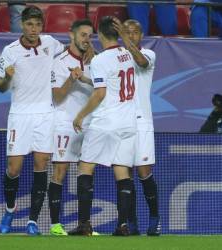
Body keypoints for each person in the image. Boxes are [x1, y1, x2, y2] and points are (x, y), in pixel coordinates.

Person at [69, 16, 146, 236]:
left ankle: (84, 224)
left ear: (100, 35)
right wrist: (85, 78)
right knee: (122, 172)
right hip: (128, 123)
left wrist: (80, 115)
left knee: (85, 168)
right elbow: (112, 83)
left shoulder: (100, 60)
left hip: (106, 122)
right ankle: (123, 225)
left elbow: (101, 93)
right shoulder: (127, 54)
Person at [0, 5, 65, 236]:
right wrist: (7, 77)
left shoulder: (51, 43)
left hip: (45, 114)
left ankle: (33, 221)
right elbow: (0, 87)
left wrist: (87, 53)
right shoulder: (9, 51)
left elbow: (70, 52)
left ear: (42, 26)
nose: (33, 29)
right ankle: (9, 209)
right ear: (22, 24)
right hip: (20, 115)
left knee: (41, 164)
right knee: (14, 169)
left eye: (37, 24)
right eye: (29, 24)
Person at [48, 19, 94, 236]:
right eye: (83, 34)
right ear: (71, 35)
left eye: (90, 35)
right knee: (60, 171)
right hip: (65, 123)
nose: (87, 39)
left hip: (89, 125)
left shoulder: (96, 61)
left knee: (86, 173)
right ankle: (56, 225)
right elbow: (56, 96)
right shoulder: (59, 61)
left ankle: (85, 225)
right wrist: (71, 79)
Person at [114, 19, 160, 236]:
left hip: (142, 121)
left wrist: (123, 39)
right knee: (125, 175)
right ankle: (130, 222)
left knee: (143, 172)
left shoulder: (149, 54)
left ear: (141, 35)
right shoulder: (116, 58)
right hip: (121, 122)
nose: (131, 36)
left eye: (134, 32)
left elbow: (140, 62)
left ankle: (154, 218)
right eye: (126, 32)